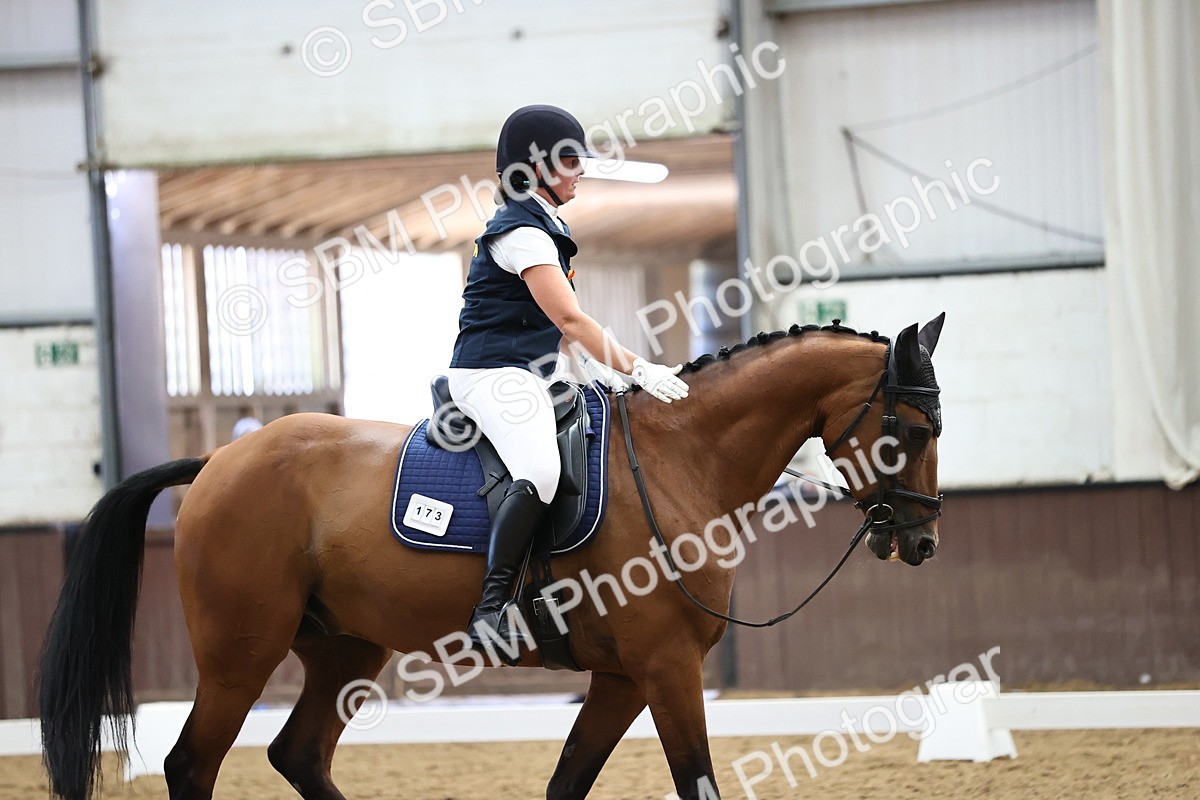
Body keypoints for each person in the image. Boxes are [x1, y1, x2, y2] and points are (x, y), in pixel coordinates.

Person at [448, 104, 689, 651]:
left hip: (533, 370)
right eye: (572, 160)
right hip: (491, 374)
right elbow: (570, 319)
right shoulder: (521, 234)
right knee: (540, 467)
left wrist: (610, 376)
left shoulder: (547, 223)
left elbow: (558, 332)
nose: (582, 170)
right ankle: (491, 609)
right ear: (534, 170)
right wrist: (640, 367)